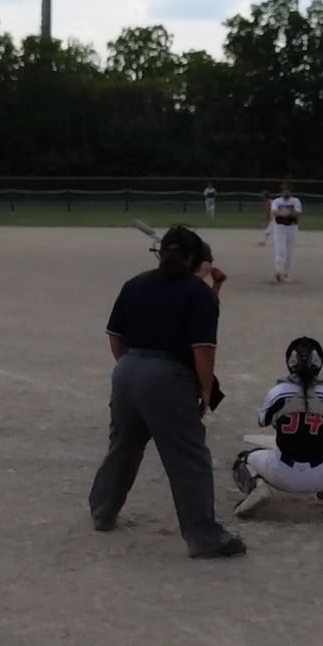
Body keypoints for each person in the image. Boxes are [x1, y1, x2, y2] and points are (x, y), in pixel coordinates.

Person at [89, 225, 246, 559]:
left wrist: (130, 366)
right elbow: (203, 350)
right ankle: (204, 536)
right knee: (189, 456)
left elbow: (115, 336)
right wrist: (205, 390)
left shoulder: (135, 284)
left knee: (123, 447)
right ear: (195, 259)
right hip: (167, 378)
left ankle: (102, 511)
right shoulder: (196, 292)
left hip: (126, 371)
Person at [232, 337, 323, 519]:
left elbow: (263, 420)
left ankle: (258, 488)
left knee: (243, 459)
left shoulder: (278, 393)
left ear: (290, 363)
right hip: (322, 474)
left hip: (282, 473)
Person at [269, 182, 304, 283]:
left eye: (288, 190)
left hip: (292, 228)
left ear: (291, 192)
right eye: (284, 190)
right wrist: (283, 213)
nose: (286, 192)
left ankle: (286, 274)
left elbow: (298, 213)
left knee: (289, 253)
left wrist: (288, 213)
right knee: (280, 251)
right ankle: (278, 272)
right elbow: (274, 212)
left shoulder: (296, 201)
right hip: (280, 228)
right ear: (281, 192)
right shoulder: (276, 201)